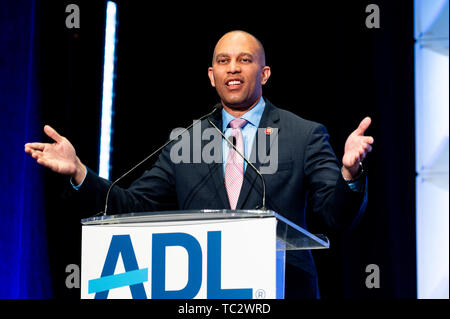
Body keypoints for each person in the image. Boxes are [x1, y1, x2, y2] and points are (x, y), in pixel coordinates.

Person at [25, 30, 374, 298]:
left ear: (264, 73)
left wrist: (350, 173)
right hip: (204, 293)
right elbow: (133, 205)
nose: (233, 68)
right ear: (211, 75)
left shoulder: (303, 134)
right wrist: (80, 173)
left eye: (244, 60)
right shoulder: (187, 140)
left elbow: (336, 215)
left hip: (282, 288)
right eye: (223, 61)